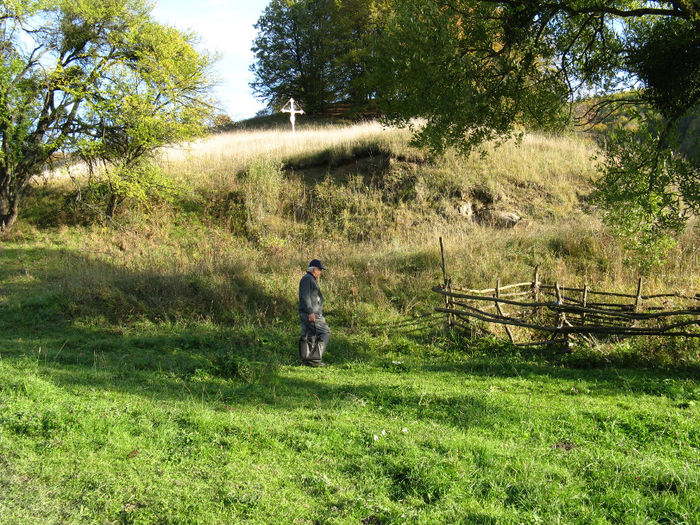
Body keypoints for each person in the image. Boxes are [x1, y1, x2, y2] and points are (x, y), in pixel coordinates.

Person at [298, 259, 330, 366]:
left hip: (307, 312)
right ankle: (315, 359)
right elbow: (305, 296)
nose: (320, 272)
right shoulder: (308, 279)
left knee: (309, 335)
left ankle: (307, 360)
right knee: (325, 332)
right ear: (314, 269)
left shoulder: (308, 279)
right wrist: (311, 312)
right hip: (312, 313)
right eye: (320, 270)